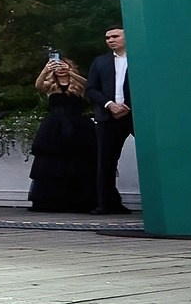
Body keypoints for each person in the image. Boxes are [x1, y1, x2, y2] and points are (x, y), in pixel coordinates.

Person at [29, 55, 98, 213]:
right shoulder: (51, 85)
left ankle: (82, 200)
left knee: (80, 162)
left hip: (78, 125)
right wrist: (46, 70)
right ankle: (51, 200)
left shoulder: (77, 85)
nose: (60, 69)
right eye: (57, 66)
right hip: (55, 127)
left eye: (63, 66)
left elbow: (89, 85)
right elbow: (38, 85)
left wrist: (70, 73)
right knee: (52, 162)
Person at [86, 26, 134, 213]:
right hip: (108, 116)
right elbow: (91, 88)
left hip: (136, 115)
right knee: (105, 161)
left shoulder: (140, 58)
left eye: (115, 36)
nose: (110, 40)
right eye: (107, 38)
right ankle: (107, 203)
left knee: (151, 155)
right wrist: (109, 105)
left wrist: (127, 105)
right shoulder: (100, 62)